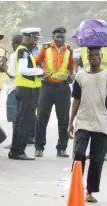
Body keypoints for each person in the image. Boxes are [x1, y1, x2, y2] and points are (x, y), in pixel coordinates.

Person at [68, 47, 107, 203]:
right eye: (91, 55)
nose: (94, 57)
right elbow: (76, 100)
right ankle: (76, 187)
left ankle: (90, 191)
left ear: (101, 56)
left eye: (97, 55)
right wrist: (71, 122)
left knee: (97, 159)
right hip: (83, 120)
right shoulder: (80, 76)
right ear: (87, 57)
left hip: (101, 121)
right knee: (79, 154)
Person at [78, 44, 107, 161]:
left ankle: (104, 151)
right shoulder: (84, 49)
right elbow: (80, 66)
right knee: (88, 120)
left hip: (105, 88)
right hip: (88, 87)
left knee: (103, 120)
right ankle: (93, 150)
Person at [33, 27, 75, 158]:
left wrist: (72, 75)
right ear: (53, 37)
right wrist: (41, 73)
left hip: (63, 88)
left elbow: (72, 66)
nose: (60, 39)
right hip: (47, 86)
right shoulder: (45, 48)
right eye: (57, 37)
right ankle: (39, 148)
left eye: (62, 37)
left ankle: (62, 148)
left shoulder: (68, 49)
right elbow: (35, 63)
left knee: (63, 119)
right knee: (41, 118)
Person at [8, 27, 50, 160]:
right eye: (35, 39)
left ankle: (15, 150)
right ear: (29, 37)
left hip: (26, 89)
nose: (36, 42)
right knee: (25, 122)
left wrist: (39, 74)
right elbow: (23, 70)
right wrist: (40, 72)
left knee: (21, 121)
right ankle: (19, 151)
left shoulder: (24, 51)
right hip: (27, 90)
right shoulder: (24, 51)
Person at [3, 34, 23, 149]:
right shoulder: (26, 54)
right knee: (20, 117)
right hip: (23, 89)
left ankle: (15, 142)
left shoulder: (14, 55)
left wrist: (4, 65)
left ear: (16, 43)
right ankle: (20, 141)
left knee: (14, 118)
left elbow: (11, 74)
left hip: (13, 89)